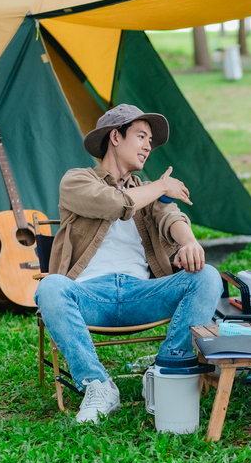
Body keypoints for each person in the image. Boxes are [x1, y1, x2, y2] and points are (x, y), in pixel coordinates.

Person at [35, 104, 223, 424]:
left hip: (141, 293)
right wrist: (163, 187)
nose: (149, 145)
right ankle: (98, 386)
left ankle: (167, 370)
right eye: (141, 136)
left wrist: (189, 241)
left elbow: (171, 217)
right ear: (115, 137)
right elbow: (114, 204)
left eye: (150, 140)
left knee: (207, 276)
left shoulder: (146, 191)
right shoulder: (76, 180)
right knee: (50, 286)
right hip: (89, 295)